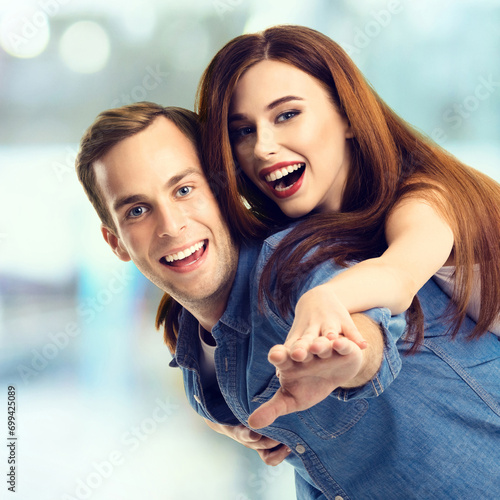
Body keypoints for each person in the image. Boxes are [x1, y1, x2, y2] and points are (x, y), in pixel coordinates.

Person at [75, 102, 500, 499]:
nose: (171, 225)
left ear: (223, 189)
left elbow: (365, 327)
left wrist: (349, 359)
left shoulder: (295, 261)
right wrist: (230, 421)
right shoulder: (196, 359)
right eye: (136, 211)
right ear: (116, 243)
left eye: (184, 190)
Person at [196, 24, 500, 361]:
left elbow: (397, 276)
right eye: (243, 130)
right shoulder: (310, 233)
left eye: (287, 115)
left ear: (348, 116)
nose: (262, 148)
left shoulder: (425, 197)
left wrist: (321, 298)